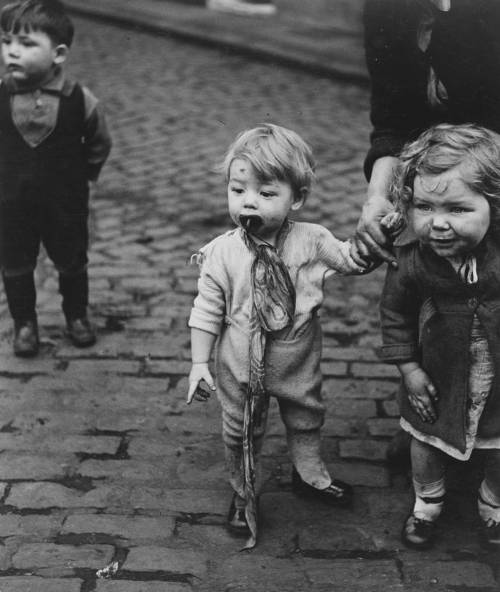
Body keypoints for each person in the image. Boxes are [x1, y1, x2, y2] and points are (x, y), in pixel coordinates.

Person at [186, 123, 368, 548]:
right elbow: (206, 309)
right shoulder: (221, 252)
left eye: (267, 194)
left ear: (296, 199)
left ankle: (310, 474)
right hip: (238, 359)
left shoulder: (312, 239)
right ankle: (243, 489)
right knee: (239, 430)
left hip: (296, 353)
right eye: (238, 190)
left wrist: (376, 239)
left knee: (306, 415)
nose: (249, 201)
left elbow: (350, 261)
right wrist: (198, 363)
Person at [354, 0, 500, 467]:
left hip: (489, 166)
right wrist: (379, 195)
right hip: (436, 168)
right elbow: (393, 118)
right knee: (431, 283)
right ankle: (430, 417)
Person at [379, 123, 500, 550]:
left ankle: (493, 503)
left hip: (496, 379)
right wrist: (410, 369)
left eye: (458, 209)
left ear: (495, 207)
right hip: (438, 375)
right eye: (425, 207)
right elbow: (394, 315)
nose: (439, 224)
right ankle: (427, 504)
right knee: (426, 440)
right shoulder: (411, 263)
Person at [0, 0, 112, 357]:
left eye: (27, 44)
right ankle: (24, 325)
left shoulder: (80, 100)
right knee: (15, 262)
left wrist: (84, 176)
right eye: (6, 41)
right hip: (10, 202)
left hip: (64, 201)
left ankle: (76, 316)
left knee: (72, 259)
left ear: (58, 54)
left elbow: (99, 141)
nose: (12, 52)